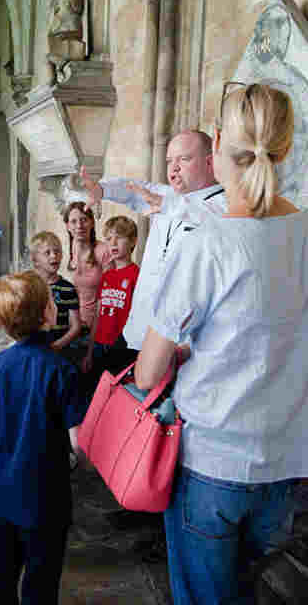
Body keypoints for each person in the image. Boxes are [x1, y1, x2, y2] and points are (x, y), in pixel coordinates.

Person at [134, 83, 308, 603]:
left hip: (213, 461)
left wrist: (187, 352)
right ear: (284, 146)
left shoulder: (208, 237)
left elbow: (147, 373)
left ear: (217, 145)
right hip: (286, 461)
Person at [0, 271, 84, 605]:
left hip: (9, 486)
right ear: (46, 314)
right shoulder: (61, 369)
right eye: (51, 301)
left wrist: (9, 437)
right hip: (49, 492)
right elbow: (78, 440)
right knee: (42, 576)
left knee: (1, 570)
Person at [79, 128, 226, 352]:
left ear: (210, 163)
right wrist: (101, 190)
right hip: (135, 333)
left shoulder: (225, 206)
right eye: (169, 161)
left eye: (184, 159)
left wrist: (167, 205)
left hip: (178, 346)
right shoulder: (166, 197)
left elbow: (208, 216)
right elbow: (131, 190)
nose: (173, 168)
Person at [82, 216, 140, 384]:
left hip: (123, 347)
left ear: (132, 241)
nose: (113, 243)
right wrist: (89, 352)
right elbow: (98, 317)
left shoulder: (137, 275)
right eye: (108, 239)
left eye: (119, 237)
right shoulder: (106, 276)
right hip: (99, 345)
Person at [62, 201, 114, 333]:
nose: (79, 226)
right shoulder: (66, 251)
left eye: (84, 220)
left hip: (95, 328)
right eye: (73, 221)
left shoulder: (103, 251)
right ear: (67, 226)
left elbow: (110, 298)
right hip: (70, 324)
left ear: (91, 222)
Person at [29, 231, 81, 353]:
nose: (54, 256)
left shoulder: (68, 288)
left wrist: (57, 346)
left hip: (59, 350)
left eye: (57, 251)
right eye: (47, 253)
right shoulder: (28, 285)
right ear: (35, 260)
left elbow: (76, 326)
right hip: (33, 348)